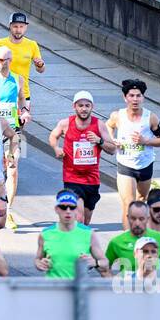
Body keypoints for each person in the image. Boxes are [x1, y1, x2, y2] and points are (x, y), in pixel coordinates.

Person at [0, 12, 44, 209]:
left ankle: (11, 160)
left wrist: (40, 65)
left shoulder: (32, 45)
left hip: (22, 95)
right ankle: (2, 161)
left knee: (16, 131)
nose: (18, 29)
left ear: (26, 28)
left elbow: (40, 68)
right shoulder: (0, 43)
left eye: (22, 26)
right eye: (15, 26)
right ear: (9, 26)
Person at [48, 91, 118, 224]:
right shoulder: (65, 123)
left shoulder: (99, 125)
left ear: (92, 107)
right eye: (80, 105)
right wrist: (56, 147)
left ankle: (82, 240)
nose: (84, 109)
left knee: (86, 220)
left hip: (92, 179)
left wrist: (99, 141)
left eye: (87, 105)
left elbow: (113, 149)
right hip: (72, 177)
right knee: (78, 217)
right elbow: (53, 136)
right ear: (74, 106)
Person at [106, 78, 160, 221]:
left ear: (143, 97)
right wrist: (112, 139)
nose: (135, 99)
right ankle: (128, 238)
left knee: (141, 201)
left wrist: (145, 141)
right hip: (125, 164)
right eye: (131, 96)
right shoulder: (118, 116)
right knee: (129, 204)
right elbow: (108, 125)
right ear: (125, 97)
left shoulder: (151, 118)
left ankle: (139, 233)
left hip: (145, 164)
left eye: (138, 96)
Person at [35, 191, 104, 277]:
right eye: (63, 207)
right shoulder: (45, 234)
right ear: (57, 209)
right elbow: (38, 259)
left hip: (78, 288)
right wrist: (40, 264)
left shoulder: (88, 233)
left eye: (72, 207)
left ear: (76, 210)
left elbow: (105, 262)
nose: (68, 211)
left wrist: (95, 263)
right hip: (53, 287)